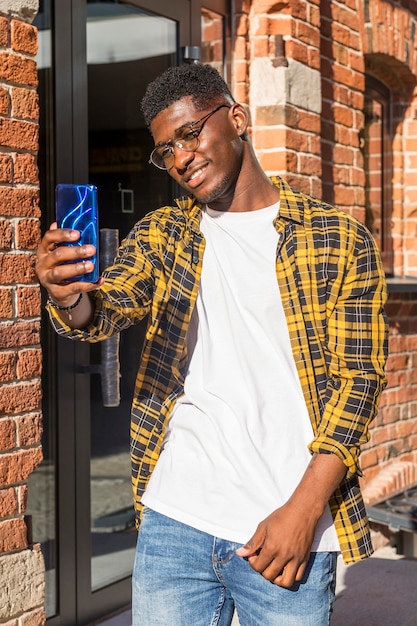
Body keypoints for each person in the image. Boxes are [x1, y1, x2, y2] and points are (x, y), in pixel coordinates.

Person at [36, 63, 388, 626]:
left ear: (238, 119)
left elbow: (359, 383)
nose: (179, 158)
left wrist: (304, 512)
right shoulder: (164, 235)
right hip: (176, 520)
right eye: (164, 150)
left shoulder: (337, 239)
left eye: (190, 132)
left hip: (283, 529)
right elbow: (109, 307)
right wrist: (68, 296)